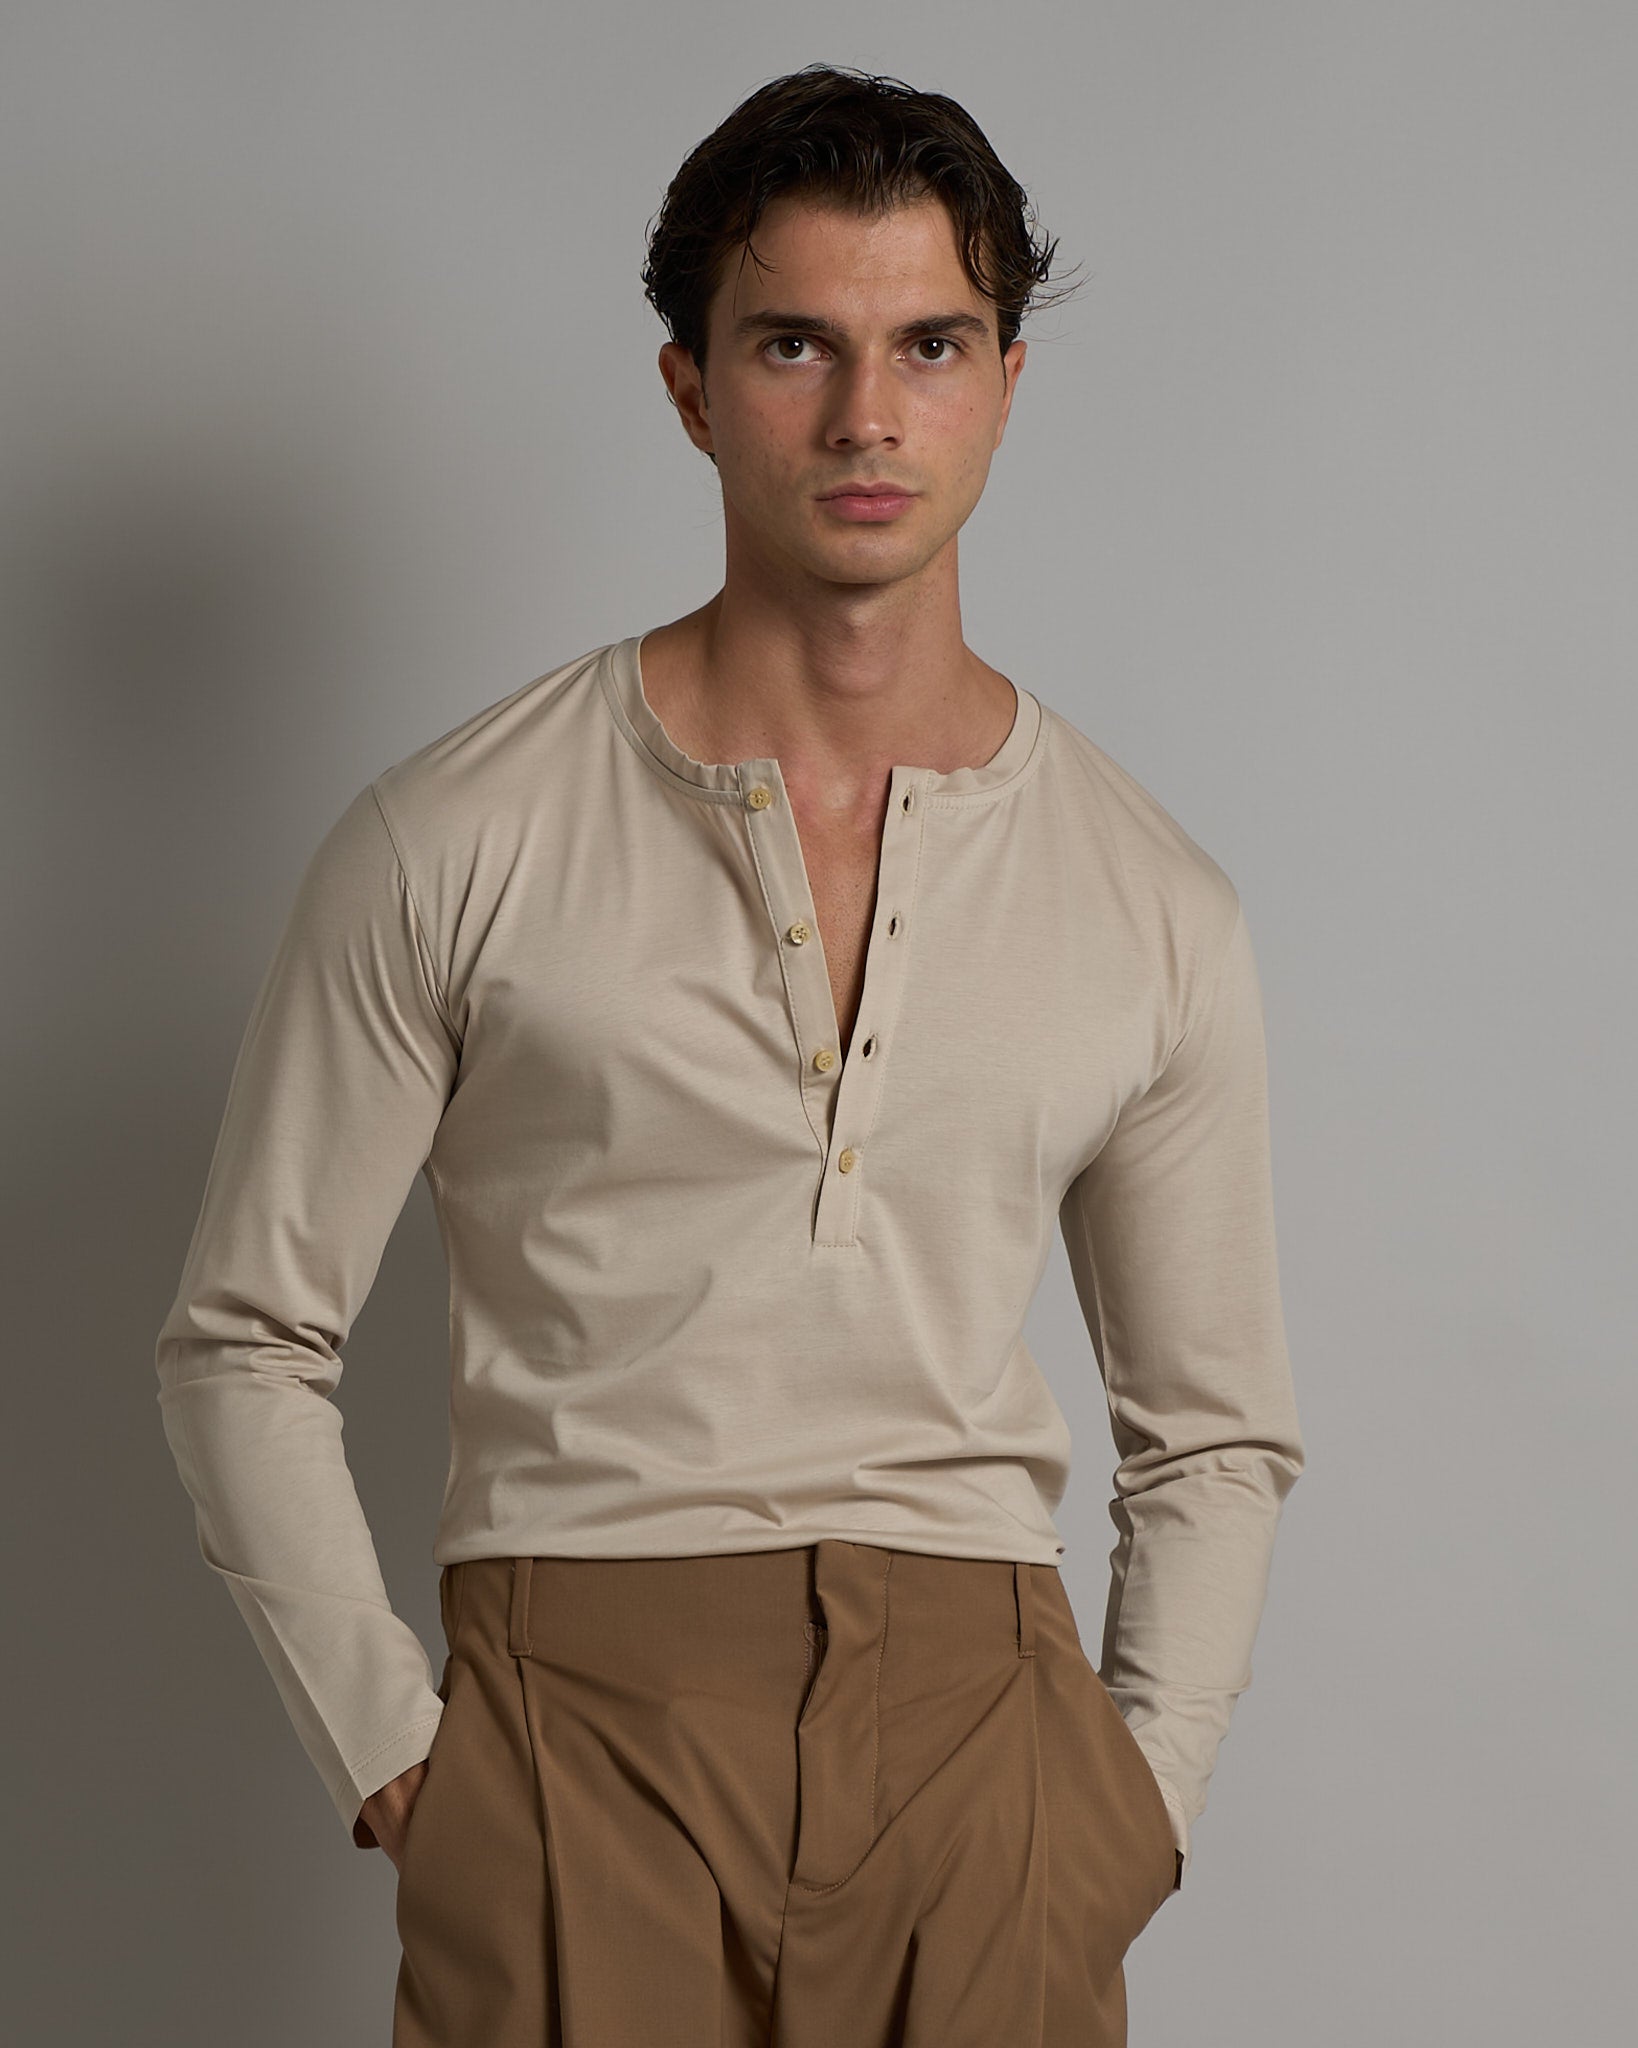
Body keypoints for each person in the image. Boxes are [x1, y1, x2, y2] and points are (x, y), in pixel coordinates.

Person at [154, 61, 1305, 2048]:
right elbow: (244, 1338)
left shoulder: (1149, 896)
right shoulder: (456, 837)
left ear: (1005, 382)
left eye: (929, 344)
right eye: (794, 345)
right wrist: (408, 1771)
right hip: (576, 1737)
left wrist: (1135, 1806)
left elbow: (1211, 1429)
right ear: (690, 386)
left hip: (988, 1755)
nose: (867, 415)